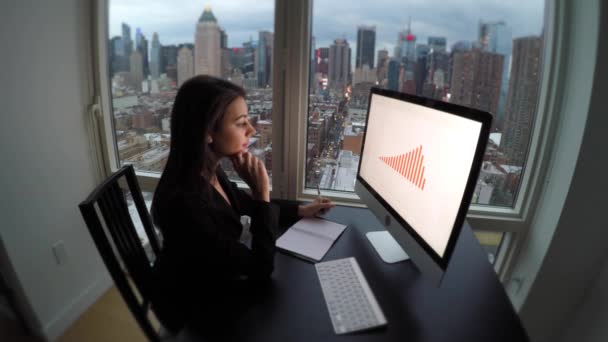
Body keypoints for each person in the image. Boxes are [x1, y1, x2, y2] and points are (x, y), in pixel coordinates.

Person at [150, 75, 334, 337]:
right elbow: (260, 271)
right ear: (207, 133)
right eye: (240, 123)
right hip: (197, 309)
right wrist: (262, 191)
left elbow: (245, 203)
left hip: (213, 281)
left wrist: (300, 209)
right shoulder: (184, 204)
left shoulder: (208, 170)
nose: (252, 130)